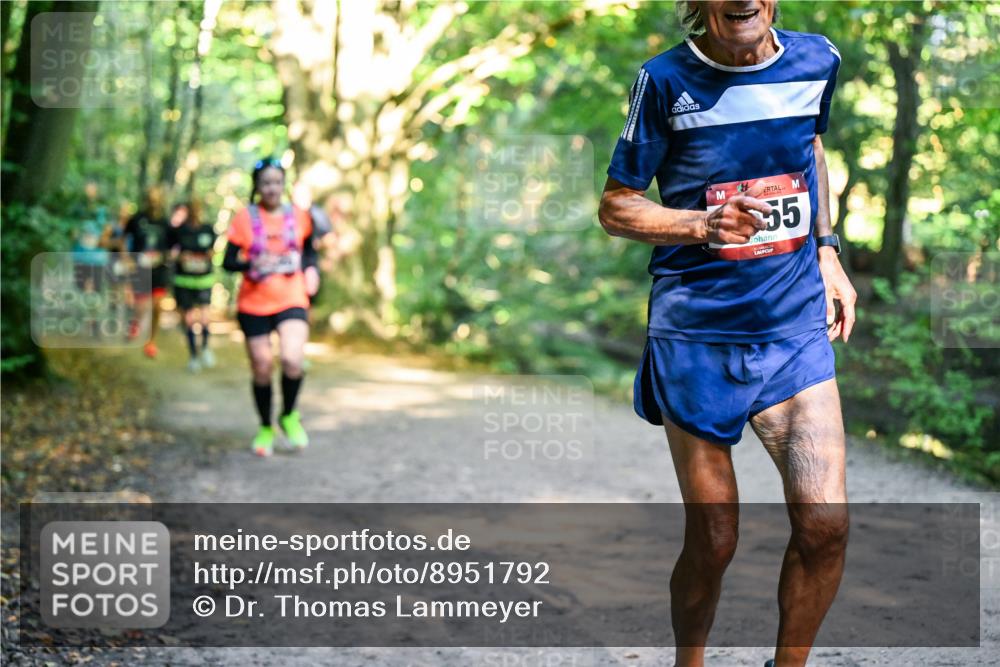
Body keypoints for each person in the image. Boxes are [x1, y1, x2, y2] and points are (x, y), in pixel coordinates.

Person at [598, 3, 857, 667]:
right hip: (697, 335)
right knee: (714, 536)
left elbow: (812, 148)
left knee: (825, 525)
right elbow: (617, 204)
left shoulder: (816, 60)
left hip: (792, 323)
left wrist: (827, 248)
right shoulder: (663, 82)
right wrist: (699, 225)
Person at [223, 157, 320, 457]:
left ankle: (288, 414)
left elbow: (310, 252)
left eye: (277, 182)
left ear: (283, 184)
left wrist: (312, 271)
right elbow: (227, 261)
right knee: (262, 366)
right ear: (257, 186)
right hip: (253, 303)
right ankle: (265, 426)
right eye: (266, 183)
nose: (272, 188)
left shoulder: (300, 216)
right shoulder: (243, 219)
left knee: (292, 360)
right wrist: (250, 263)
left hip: (291, 298)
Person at [168, 198, 217, 373]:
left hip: (204, 280)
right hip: (184, 281)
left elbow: (212, 251)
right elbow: (170, 252)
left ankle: (205, 347)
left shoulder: (208, 229)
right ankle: (193, 356)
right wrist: (181, 257)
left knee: (205, 316)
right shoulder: (178, 231)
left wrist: (205, 257)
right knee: (189, 319)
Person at [123, 186, 171, 358]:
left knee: (157, 306)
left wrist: (165, 256)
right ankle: (135, 323)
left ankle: (151, 341)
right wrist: (126, 258)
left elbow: (172, 246)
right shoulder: (137, 219)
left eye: (156, 199)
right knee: (141, 307)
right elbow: (123, 238)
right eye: (151, 198)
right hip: (139, 270)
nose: (153, 202)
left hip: (159, 271)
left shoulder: (165, 222)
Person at [70, 181, 112, 294]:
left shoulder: (103, 208)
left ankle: (94, 307)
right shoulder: (77, 207)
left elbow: (108, 228)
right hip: (80, 254)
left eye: (92, 189)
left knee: (97, 286)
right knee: (80, 285)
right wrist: (75, 233)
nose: (89, 192)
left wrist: (103, 237)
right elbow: (71, 227)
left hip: (97, 256)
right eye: (87, 189)